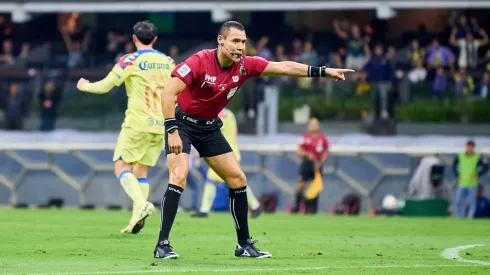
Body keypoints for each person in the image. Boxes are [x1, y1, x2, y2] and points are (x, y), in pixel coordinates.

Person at [155, 20, 353, 259]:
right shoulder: (199, 61)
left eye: (243, 42)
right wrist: (172, 129)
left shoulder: (245, 65)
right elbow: (167, 93)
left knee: (238, 179)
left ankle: (244, 245)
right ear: (221, 40)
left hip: (208, 128)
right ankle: (162, 245)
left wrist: (322, 71)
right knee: (179, 176)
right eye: (235, 41)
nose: (240, 47)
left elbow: (284, 68)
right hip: (182, 124)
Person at [76, 21, 175, 234]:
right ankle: (135, 219)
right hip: (161, 125)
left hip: (137, 123)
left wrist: (85, 85)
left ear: (134, 38)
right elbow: (178, 92)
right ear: (155, 39)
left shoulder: (129, 60)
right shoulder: (169, 62)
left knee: (121, 167)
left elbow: (105, 86)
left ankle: (142, 205)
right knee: (141, 171)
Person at [191, 108, 262, 218]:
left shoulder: (219, 113)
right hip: (228, 152)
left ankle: (204, 210)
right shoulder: (229, 113)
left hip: (225, 153)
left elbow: (211, 129)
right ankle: (255, 206)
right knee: (234, 181)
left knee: (220, 180)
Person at [292, 118, 329, 214]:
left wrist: (320, 162)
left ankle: (312, 208)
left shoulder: (322, 139)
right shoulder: (305, 137)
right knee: (301, 185)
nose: (313, 126)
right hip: (307, 163)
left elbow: (325, 152)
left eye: (315, 124)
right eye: (312, 124)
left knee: (316, 186)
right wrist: (307, 154)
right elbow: (298, 151)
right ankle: (296, 206)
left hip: (317, 164)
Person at [452, 140, 489, 219]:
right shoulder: (460, 155)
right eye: (468, 147)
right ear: (466, 147)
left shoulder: (477, 157)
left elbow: (486, 166)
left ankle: (470, 218)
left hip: (472, 183)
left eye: (471, 147)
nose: (469, 148)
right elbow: (454, 165)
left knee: (472, 202)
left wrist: (478, 174)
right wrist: (457, 175)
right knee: (458, 201)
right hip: (462, 182)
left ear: (473, 148)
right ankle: (459, 217)